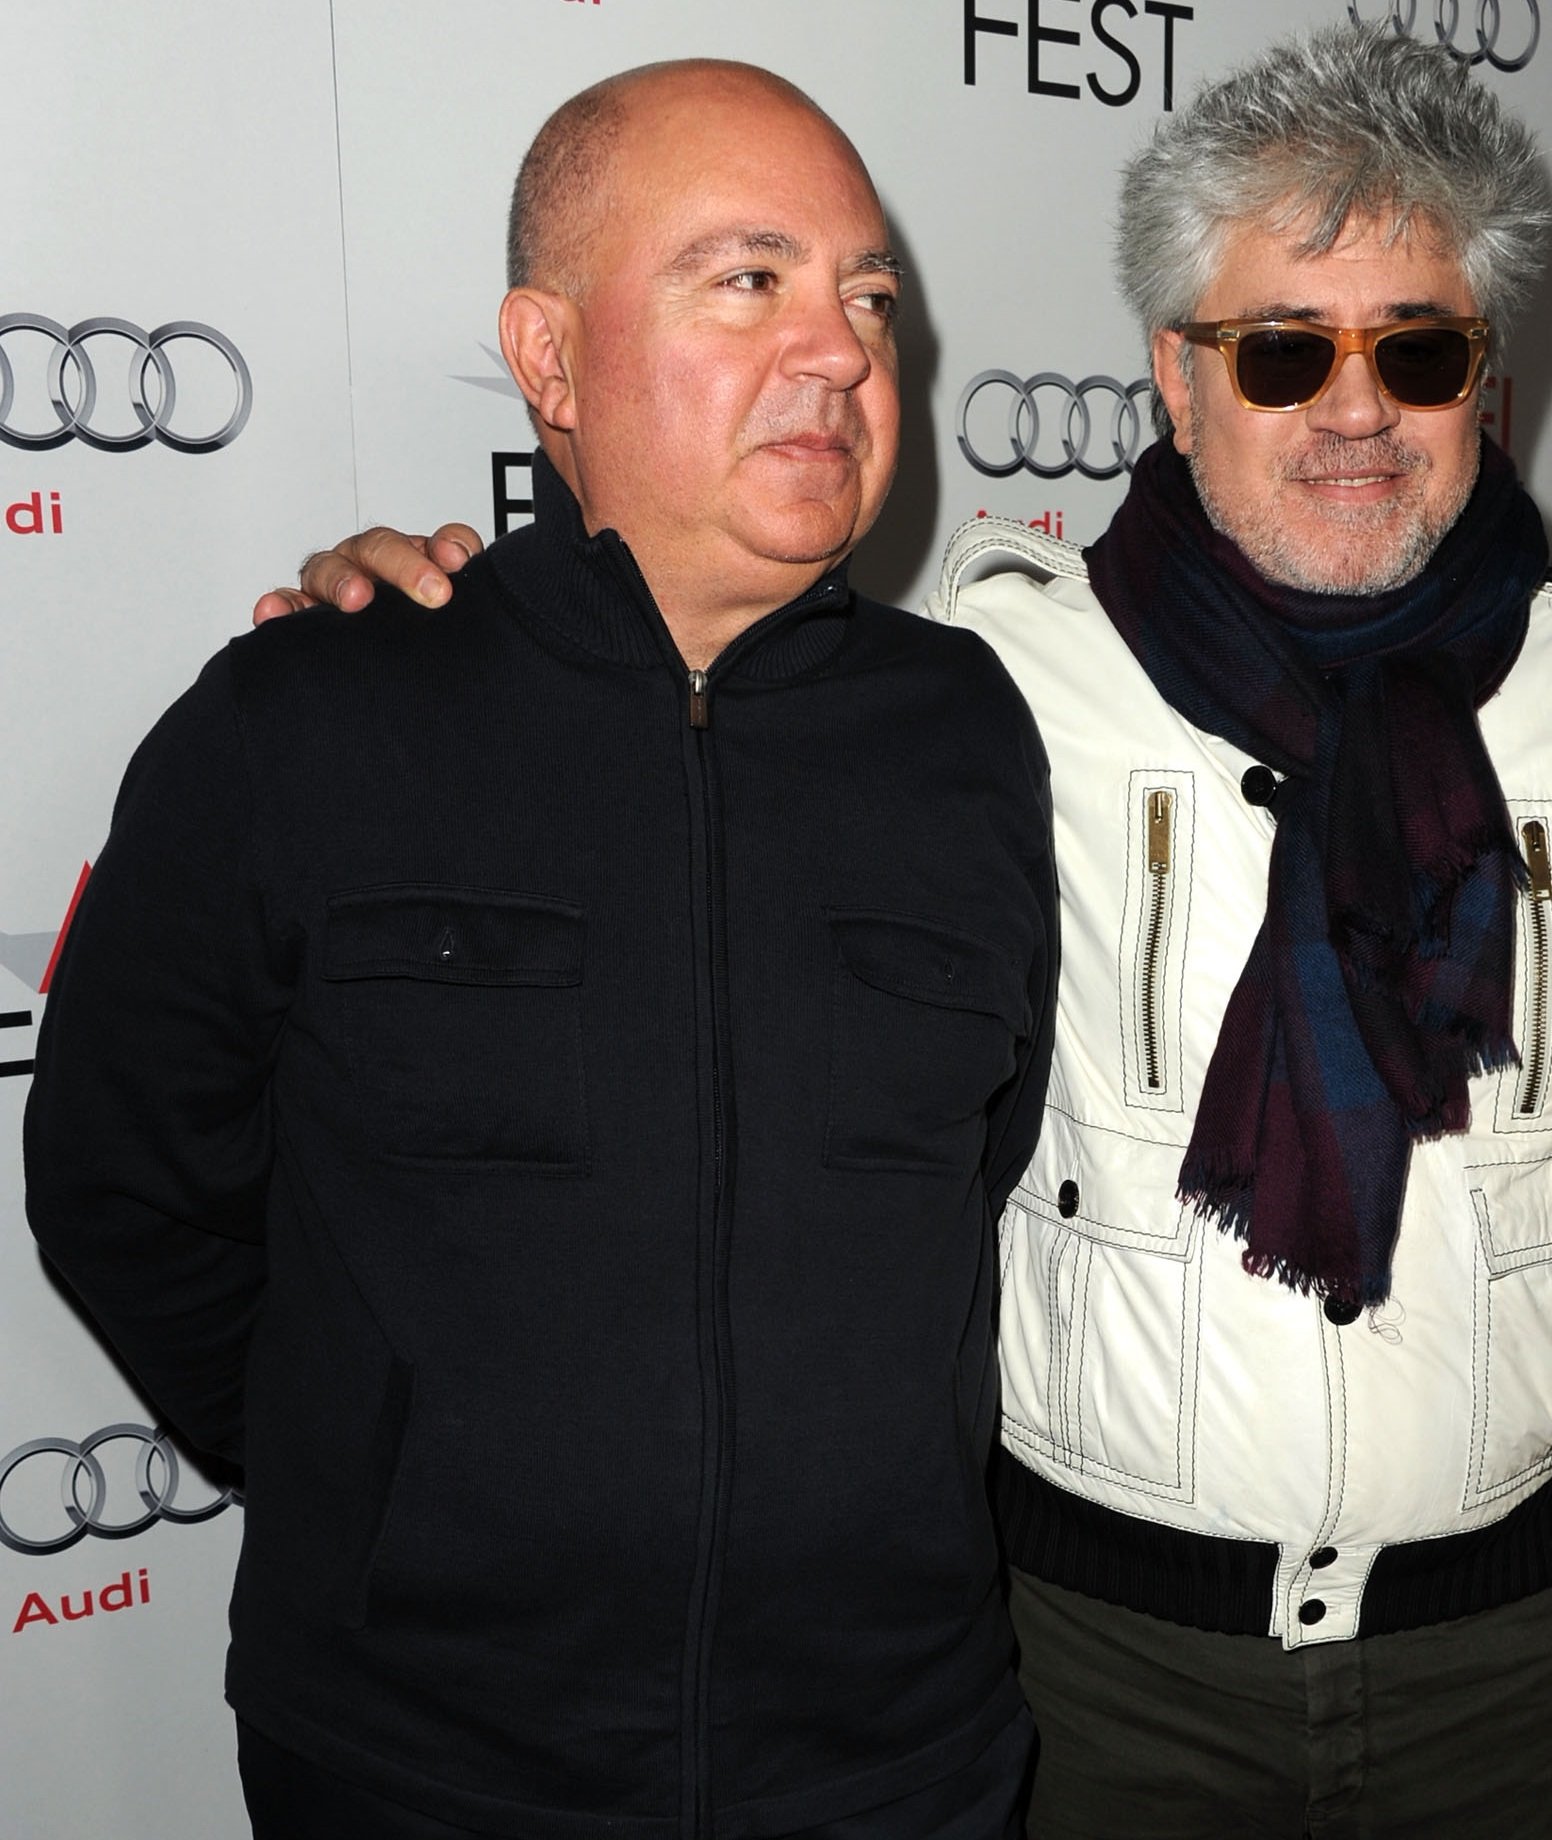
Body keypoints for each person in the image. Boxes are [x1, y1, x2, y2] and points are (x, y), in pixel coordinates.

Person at [264, 25, 1552, 1840]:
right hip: (1086, 1671)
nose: (1354, 408)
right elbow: (660, 730)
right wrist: (429, 626)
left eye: (1418, 347)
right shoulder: (976, 694)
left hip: (1518, 1660)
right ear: (1175, 374)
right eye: (1281, 350)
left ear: (1483, 374)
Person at [26, 60, 1057, 1840]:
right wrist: (380, 1475)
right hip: (423, 1773)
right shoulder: (308, 718)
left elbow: (991, 1153)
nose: (840, 346)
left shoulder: (968, 732)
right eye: (750, 280)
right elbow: (126, 1182)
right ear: (551, 356)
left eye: (868, 294)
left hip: (900, 1771)